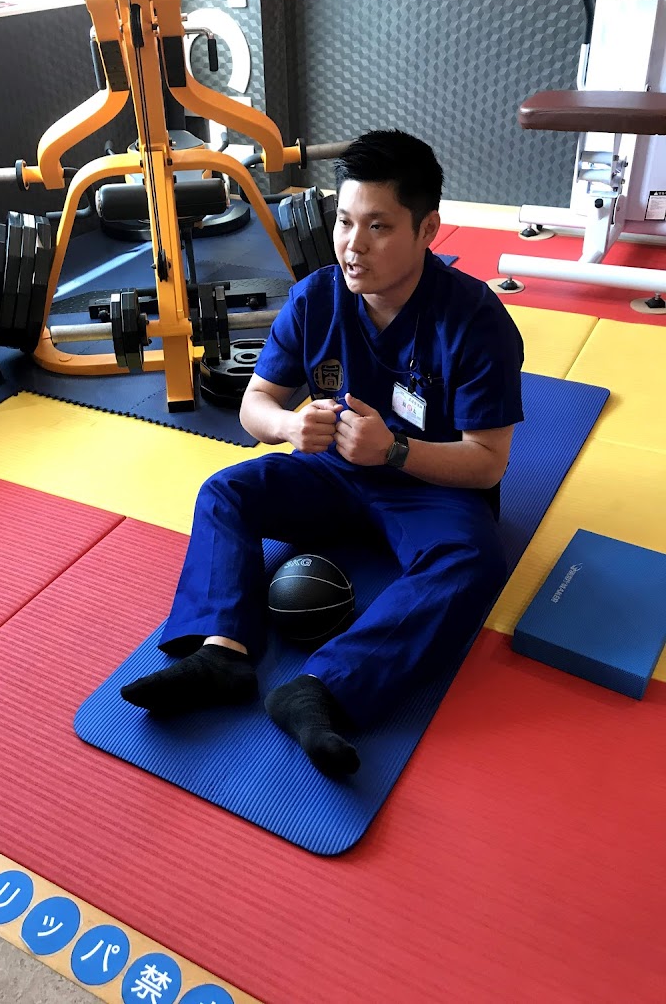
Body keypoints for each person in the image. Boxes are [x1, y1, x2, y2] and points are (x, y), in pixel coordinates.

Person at [121, 129, 524, 778]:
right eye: (344, 222)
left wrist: (394, 450)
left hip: (429, 488)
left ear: (427, 230)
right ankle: (223, 653)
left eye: (378, 227)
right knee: (226, 491)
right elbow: (255, 404)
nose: (353, 245)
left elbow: (487, 462)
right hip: (332, 473)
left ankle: (322, 688)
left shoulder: (476, 321)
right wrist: (288, 425)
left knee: (475, 562)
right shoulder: (316, 298)